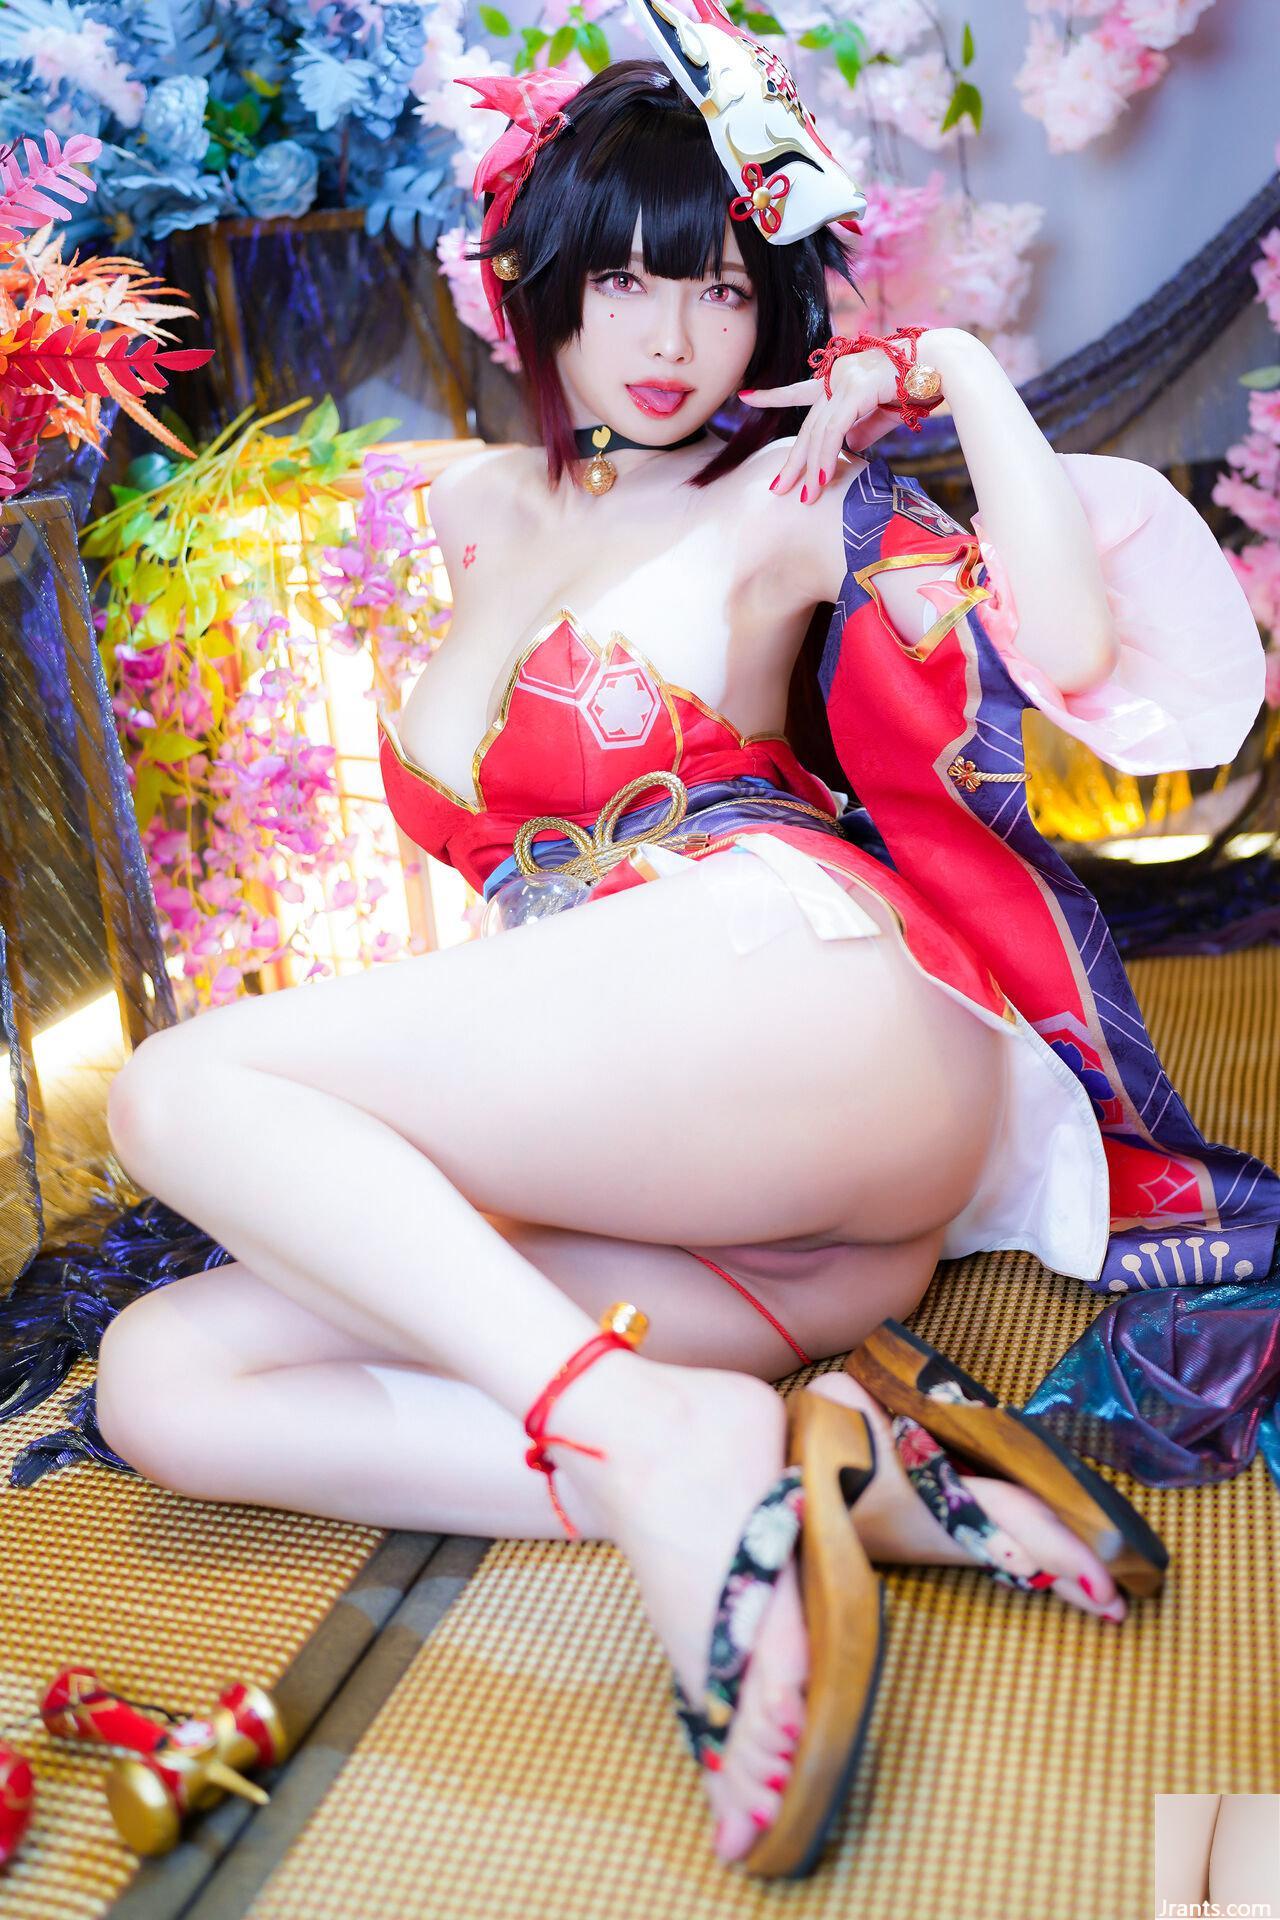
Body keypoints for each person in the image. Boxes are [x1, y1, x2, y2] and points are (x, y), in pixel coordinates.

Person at [92, 0, 1275, 1881]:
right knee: (165, 1380)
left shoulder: (780, 499)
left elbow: (1066, 640)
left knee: (176, 1090)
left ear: (769, 310)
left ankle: (645, 1440)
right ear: (545, 290)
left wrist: (960, 368)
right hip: (762, 1235)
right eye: (628, 281)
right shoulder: (468, 506)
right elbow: (188, 495)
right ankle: (804, 1477)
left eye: (720, 287)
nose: (671, 337)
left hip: (803, 998)